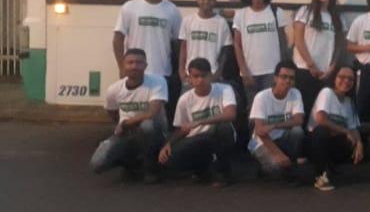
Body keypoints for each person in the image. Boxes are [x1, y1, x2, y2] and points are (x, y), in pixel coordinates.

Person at [113, 0, 182, 121]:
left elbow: (178, 43)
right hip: (134, 70)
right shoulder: (129, 7)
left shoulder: (172, 10)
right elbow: (118, 38)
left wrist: (179, 70)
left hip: (162, 72)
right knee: (132, 113)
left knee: (159, 118)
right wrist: (121, 66)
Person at [90, 49, 168, 182]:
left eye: (139, 63)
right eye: (130, 62)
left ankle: (150, 169)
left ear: (146, 66)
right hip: (128, 134)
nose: (134, 66)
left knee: (147, 125)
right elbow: (112, 112)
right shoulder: (114, 89)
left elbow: (152, 113)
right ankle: (131, 165)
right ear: (123, 65)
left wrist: (125, 123)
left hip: (155, 132)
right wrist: (122, 126)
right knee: (97, 164)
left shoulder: (157, 81)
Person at [158, 58, 237, 186]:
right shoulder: (184, 99)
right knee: (168, 160)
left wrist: (200, 122)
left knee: (224, 128)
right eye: (196, 76)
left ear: (210, 76)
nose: (200, 80)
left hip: (217, 137)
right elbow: (181, 128)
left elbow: (230, 114)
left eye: (204, 76)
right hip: (196, 140)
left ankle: (223, 172)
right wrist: (168, 143)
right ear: (189, 79)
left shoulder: (224, 89)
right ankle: (202, 170)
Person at [232, 0, 290, 110]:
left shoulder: (276, 12)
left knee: (272, 108)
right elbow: (237, 45)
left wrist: (282, 69)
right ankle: (254, 132)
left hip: (272, 72)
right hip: (249, 73)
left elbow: (283, 42)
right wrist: (244, 71)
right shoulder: (240, 15)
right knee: (252, 109)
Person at [248, 60, 309, 184]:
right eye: (284, 77)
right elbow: (260, 131)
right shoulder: (261, 97)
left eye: (291, 78)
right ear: (275, 78)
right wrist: (278, 154)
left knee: (298, 132)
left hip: (282, 137)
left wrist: (275, 125)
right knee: (274, 168)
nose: (287, 81)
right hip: (262, 142)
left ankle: (290, 166)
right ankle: (264, 167)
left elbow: (298, 120)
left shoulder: (295, 93)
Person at [292, 0, 345, 115]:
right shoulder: (305, 11)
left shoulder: (337, 17)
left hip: (326, 73)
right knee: (303, 108)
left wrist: (332, 68)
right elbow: (298, 40)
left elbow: (339, 46)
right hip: (304, 69)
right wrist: (311, 65)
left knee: (321, 112)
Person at [307, 66, 364, 192]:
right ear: (334, 78)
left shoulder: (349, 102)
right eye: (342, 77)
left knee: (357, 139)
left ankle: (331, 167)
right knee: (322, 131)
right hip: (314, 142)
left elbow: (353, 128)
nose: (346, 81)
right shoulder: (327, 92)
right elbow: (320, 119)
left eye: (350, 79)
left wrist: (360, 143)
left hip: (333, 142)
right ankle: (320, 176)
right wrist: (346, 132)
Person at [178, 0, 232, 85]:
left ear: (215, 1)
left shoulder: (221, 23)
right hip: (190, 75)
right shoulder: (187, 21)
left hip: (212, 75)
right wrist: (181, 72)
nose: (206, 1)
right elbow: (183, 48)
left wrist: (217, 74)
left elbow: (225, 53)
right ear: (197, 0)